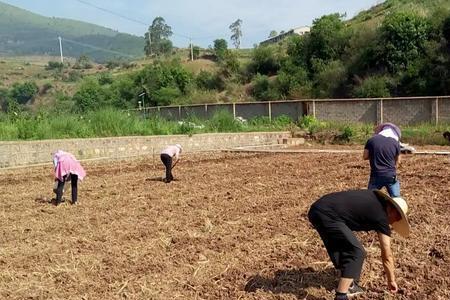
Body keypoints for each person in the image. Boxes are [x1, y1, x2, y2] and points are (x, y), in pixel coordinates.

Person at [308, 189, 410, 300]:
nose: (395, 222)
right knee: (357, 252)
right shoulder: (381, 217)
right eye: (398, 217)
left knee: (339, 245)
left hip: (317, 209)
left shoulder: (373, 197)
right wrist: (391, 280)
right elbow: (387, 255)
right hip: (329, 215)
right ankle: (341, 295)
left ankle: (350, 284)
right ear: (392, 209)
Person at [363, 123, 401, 197]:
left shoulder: (371, 140)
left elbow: (365, 156)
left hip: (376, 174)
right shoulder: (395, 143)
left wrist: (374, 155)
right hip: (390, 175)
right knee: (396, 199)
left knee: (370, 197)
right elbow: (398, 161)